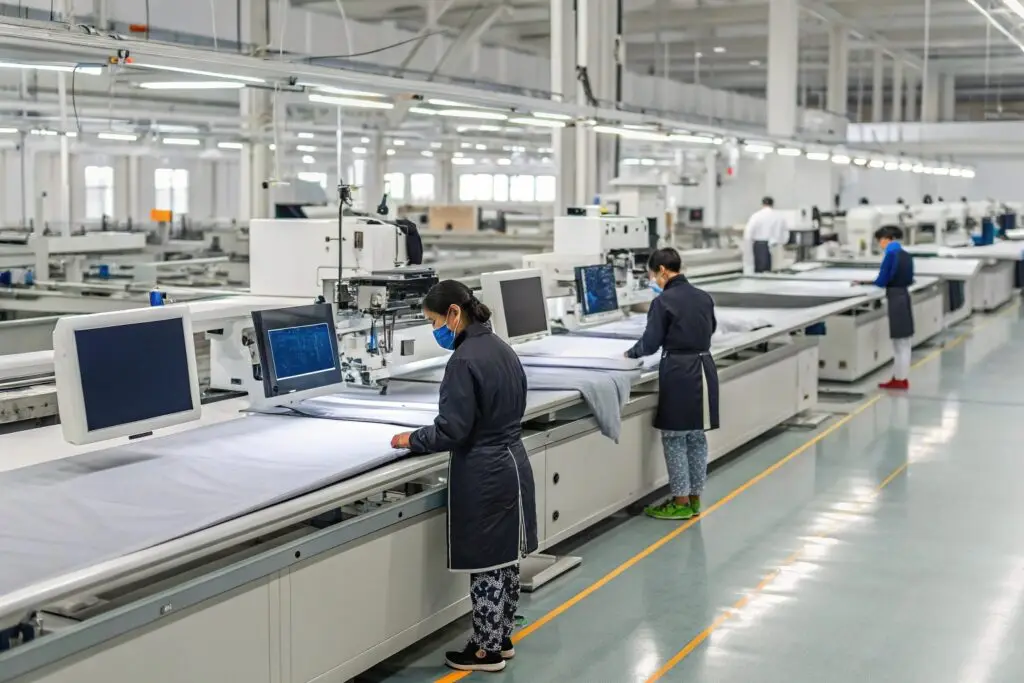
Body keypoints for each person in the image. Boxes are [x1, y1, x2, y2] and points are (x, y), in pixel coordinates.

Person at [389, 280, 537, 673]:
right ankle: (500, 638)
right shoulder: (500, 348)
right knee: (505, 560)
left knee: (487, 562)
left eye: (434, 321)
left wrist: (412, 438)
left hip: (485, 470)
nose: (434, 330)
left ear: (455, 314)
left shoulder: (464, 360)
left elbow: (453, 430)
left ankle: (485, 653)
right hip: (512, 461)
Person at [626, 248, 719, 520]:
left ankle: (679, 500)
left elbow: (650, 342)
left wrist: (629, 354)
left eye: (654, 275)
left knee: (674, 437)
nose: (654, 280)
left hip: (680, 371)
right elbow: (710, 329)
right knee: (696, 436)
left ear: (663, 271)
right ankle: (693, 500)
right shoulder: (704, 297)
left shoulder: (663, 302)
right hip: (704, 367)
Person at [862, 226, 915, 390]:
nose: (880, 244)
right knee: (905, 341)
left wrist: (866, 283)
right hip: (904, 296)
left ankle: (899, 380)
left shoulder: (890, 255)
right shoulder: (905, 254)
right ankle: (900, 377)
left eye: (880, 240)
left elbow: (882, 280)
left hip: (895, 298)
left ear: (887, 238)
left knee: (899, 343)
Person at [742, 196, 787, 274]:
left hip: (760, 245)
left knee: (761, 272)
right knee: (774, 271)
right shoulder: (779, 216)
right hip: (775, 246)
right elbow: (785, 233)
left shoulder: (756, 215)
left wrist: (747, 247)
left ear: (762, 204)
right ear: (772, 204)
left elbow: (748, 232)